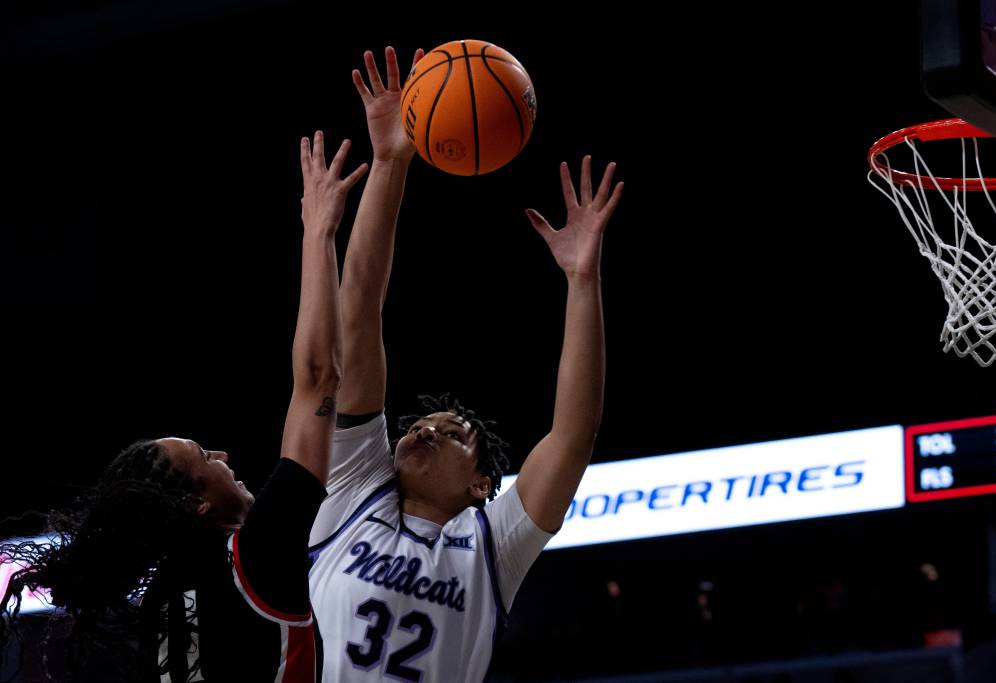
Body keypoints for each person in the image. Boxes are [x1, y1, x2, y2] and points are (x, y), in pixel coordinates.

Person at [0, 133, 367, 682]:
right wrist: (319, 231)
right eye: (203, 455)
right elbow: (318, 379)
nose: (222, 453)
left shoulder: (157, 609)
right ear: (197, 504)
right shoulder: (252, 559)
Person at [307, 47, 624, 682]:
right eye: (423, 424)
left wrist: (581, 280)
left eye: (455, 434)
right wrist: (392, 160)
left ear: (482, 487)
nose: (425, 428)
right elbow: (360, 310)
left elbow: (574, 432)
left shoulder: (490, 545)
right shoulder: (352, 495)